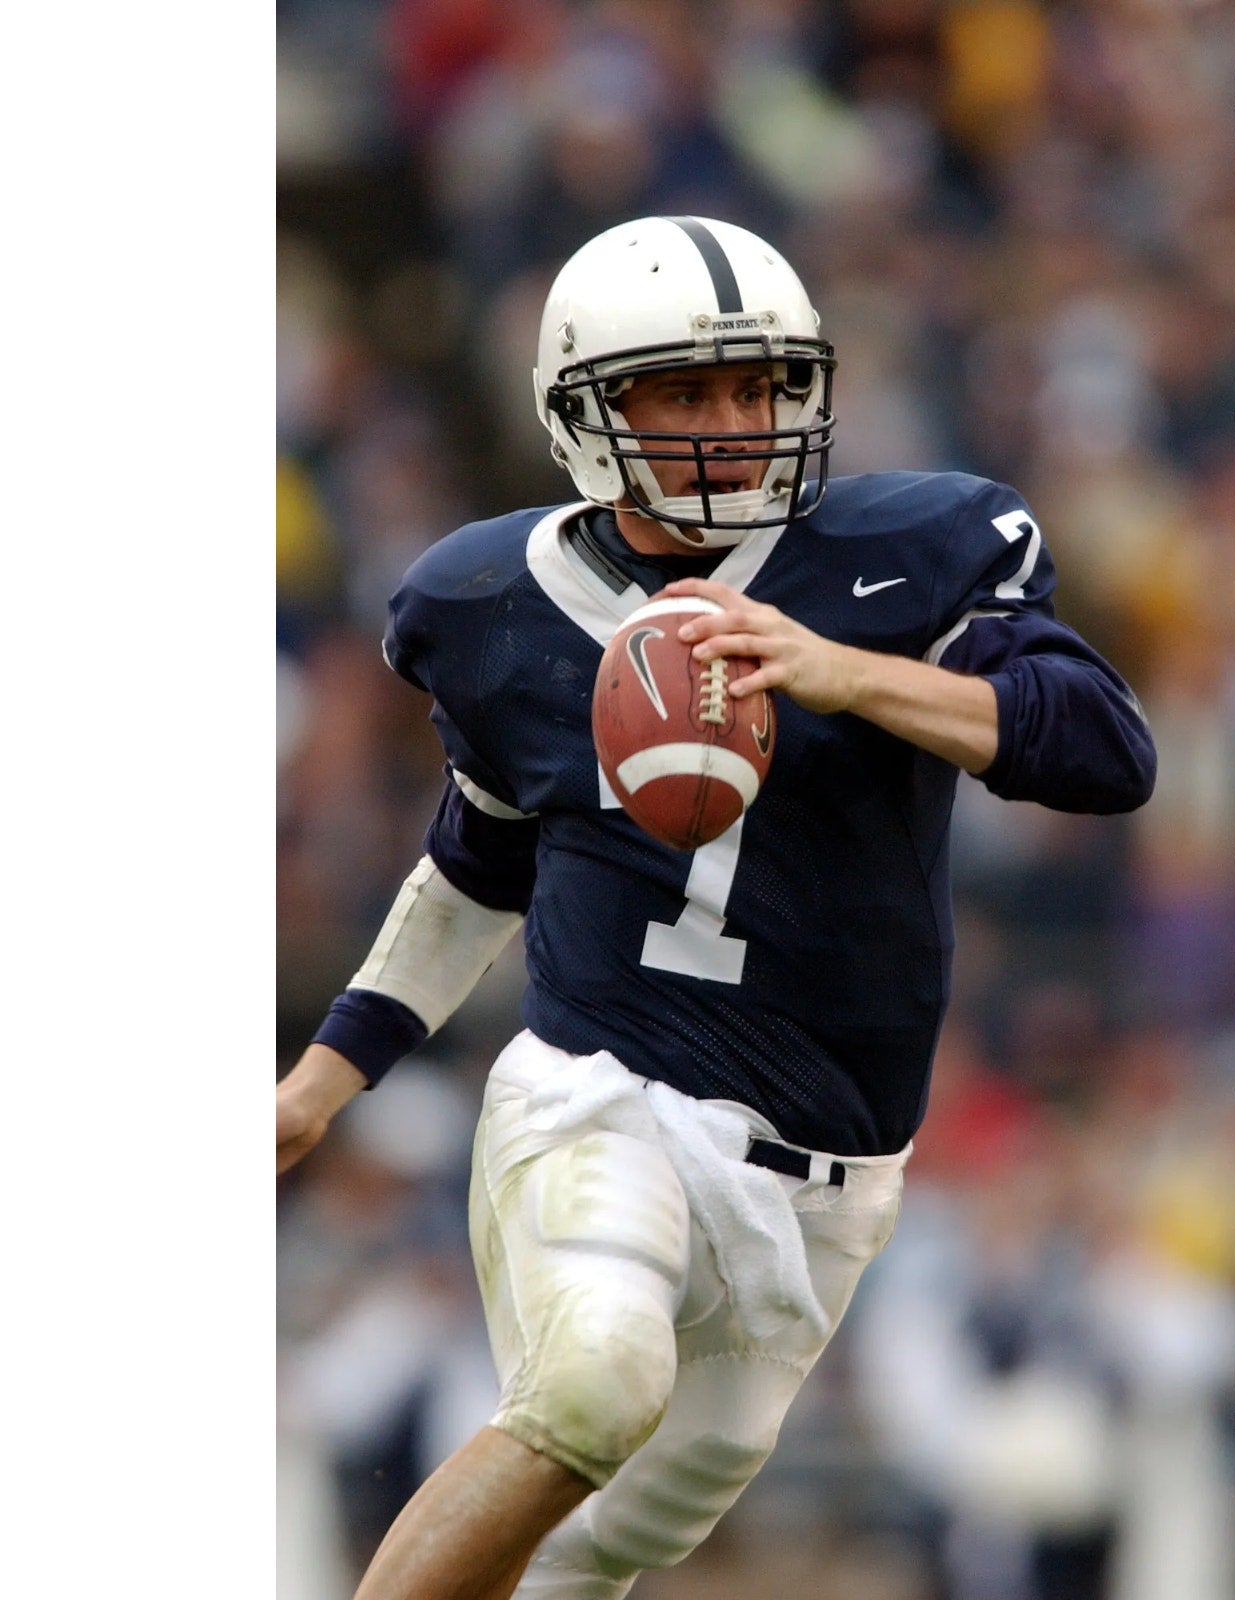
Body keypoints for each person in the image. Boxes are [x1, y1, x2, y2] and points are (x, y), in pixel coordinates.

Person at [276, 214, 1157, 1600]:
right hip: (602, 1094)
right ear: (585, 412)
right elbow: (481, 855)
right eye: (688, 393)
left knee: (586, 1557)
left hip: (830, 1179)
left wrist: (847, 673)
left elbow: (1106, 750)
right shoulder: (491, 599)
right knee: (594, 1384)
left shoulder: (908, 555)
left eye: (760, 387)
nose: (738, 427)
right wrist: (323, 1082)